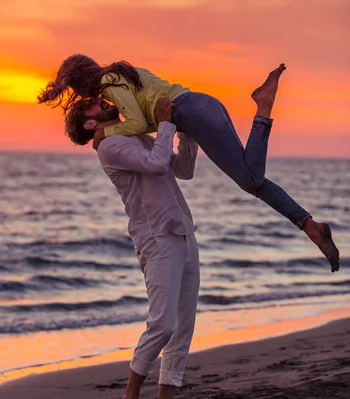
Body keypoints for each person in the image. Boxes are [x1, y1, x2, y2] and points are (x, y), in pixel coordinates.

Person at [38, 55, 340, 272]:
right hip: (200, 107)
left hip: (193, 113)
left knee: (249, 177)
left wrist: (105, 131)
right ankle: (310, 226)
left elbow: (137, 121)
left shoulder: (109, 83)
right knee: (253, 182)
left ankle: (263, 106)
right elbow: (148, 120)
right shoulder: (121, 72)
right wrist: (166, 128)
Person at [64, 96, 200, 399]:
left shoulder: (133, 134)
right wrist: (166, 124)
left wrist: (188, 134)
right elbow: (155, 164)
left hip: (181, 228)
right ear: (90, 124)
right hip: (156, 237)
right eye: (90, 105)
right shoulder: (111, 148)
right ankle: (130, 398)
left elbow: (182, 169)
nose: (100, 100)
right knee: (163, 324)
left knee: (184, 326)